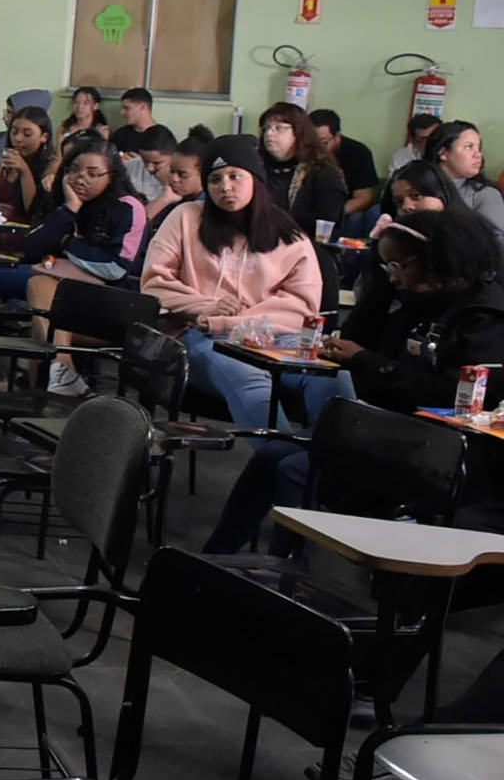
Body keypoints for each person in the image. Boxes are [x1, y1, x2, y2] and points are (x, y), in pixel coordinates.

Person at [203, 211, 504, 555]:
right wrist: (383, 284)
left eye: (398, 266)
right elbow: (358, 337)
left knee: (297, 470)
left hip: (439, 453)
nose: (393, 276)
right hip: (391, 432)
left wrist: (364, 360)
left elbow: (445, 393)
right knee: (270, 454)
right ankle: (216, 557)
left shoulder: (485, 319)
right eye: (387, 267)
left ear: (436, 262)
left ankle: (285, 576)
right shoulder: (422, 301)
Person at [141, 134, 323, 432]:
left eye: (235, 176)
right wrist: (209, 307)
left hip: (274, 335)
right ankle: (283, 454)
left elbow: (302, 305)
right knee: (245, 373)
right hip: (200, 335)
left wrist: (236, 321)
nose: (225, 187)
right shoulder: (185, 218)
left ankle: (333, 457)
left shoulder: (287, 233)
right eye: (214, 179)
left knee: (326, 376)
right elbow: (154, 285)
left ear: (256, 179)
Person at [22, 137, 151, 396]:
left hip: (117, 304)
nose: (81, 179)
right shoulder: (69, 204)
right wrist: (70, 209)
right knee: (43, 296)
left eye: (93, 174)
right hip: (70, 300)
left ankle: (44, 389)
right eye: (75, 170)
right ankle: (60, 380)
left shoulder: (129, 208)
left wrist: (68, 244)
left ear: (111, 176)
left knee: (42, 300)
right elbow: (31, 250)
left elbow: (115, 268)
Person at [257, 102, 347, 237]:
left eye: (279, 128)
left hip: (305, 242)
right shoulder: (256, 166)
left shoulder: (323, 172)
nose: (269, 133)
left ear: (299, 132)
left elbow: (327, 223)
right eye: (266, 128)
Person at [425, 120, 504, 237]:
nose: (478, 154)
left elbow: (497, 243)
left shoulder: (484, 194)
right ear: (443, 153)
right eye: (469, 147)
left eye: (479, 148)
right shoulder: (414, 184)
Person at [307, 108, 380, 234]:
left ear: (338, 136)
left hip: (343, 209)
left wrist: (335, 213)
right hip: (310, 208)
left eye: (324, 142)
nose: (317, 149)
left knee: (355, 219)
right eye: (311, 143)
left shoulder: (358, 152)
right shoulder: (301, 151)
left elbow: (365, 197)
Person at [124, 124, 177, 203]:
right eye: (144, 161)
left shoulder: (181, 176)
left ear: (173, 156)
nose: (150, 168)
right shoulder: (127, 167)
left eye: (157, 163)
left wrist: (167, 184)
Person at [111, 87, 158, 156]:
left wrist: (141, 161)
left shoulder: (162, 136)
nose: (122, 112)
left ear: (143, 107)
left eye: (127, 108)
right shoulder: (120, 135)